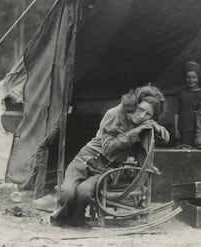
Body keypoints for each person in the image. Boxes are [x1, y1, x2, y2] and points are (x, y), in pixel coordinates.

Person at [50, 85, 170, 227]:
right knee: (67, 193)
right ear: (134, 104)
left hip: (107, 169)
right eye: (141, 110)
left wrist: (155, 126)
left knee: (84, 193)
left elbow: (165, 138)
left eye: (148, 114)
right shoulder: (114, 114)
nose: (142, 116)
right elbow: (108, 148)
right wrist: (135, 132)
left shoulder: (144, 124)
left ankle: (77, 218)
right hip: (85, 159)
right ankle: (61, 217)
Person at [173, 61, 201, 147]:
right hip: (184, 129)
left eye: (194, 77)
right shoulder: (181, 94)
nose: (191, 80)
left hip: (199, 129)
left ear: (198, 78)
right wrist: (176, 129)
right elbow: (176, 112)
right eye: (188, 77)